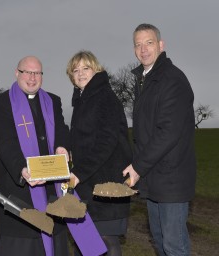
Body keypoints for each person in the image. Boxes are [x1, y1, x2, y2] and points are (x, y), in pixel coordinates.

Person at [0, 56, 106, 256]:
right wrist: (22, 170)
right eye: (27, 72)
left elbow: (61, 129)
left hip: (52, 191)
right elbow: (5, 142)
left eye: (37, 73)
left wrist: (62, 147)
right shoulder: (1, 103)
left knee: (55, 239)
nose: (32, 77)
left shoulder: (52, 100)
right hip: (21, 193)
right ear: (17, 73)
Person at [122, 24, 196, 256]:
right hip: (154, 178)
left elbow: (168, 132)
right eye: (138, 44)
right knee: (160, 241)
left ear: (161, 45)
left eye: (149, 43)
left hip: (171, 178)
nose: (143, 49)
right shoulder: (146, 79)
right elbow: (145, 132)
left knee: (174, 246)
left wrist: (137, 167)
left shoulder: (172, 79)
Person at [66, 50, 132, 256]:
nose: (81, 73)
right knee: (86, 241)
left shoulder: (105, 97)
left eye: (86, 68)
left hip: (106, 183)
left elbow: (107, 141)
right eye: (75, 70)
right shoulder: (82, 99)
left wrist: (79, 172)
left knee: (106, 239)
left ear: (96, 70)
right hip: (89, 182)